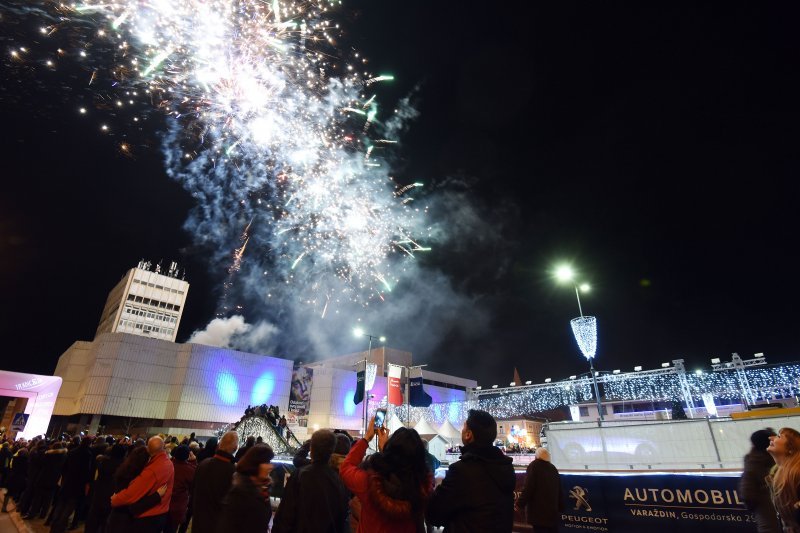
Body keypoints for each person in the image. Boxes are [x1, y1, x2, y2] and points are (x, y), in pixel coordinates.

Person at [426, 409, 516, 532]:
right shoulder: (506, 467)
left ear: (468, 435)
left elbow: (434, 513)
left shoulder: (462, 470)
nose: (461, 431)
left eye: (463, 428)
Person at [340, 417, 433, 532]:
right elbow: (400, 469)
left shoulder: (369, 483)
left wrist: (367, 438)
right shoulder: (422, 489)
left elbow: (345, 467)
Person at [272, 429, 349, 533]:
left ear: (312, 449)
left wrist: (309, 443)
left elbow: (285, 515)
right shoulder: (343, 479)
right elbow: (341, 518)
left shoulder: (301, 474)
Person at [110, 436, 175, 532]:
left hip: (147, 518)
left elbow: (131, 494)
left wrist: (115, 499)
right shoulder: (168, 463)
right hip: (158, 514)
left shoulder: (152, 470)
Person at [216, 444, 275, 533]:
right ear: (255, 464)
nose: (271, 466)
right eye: (266, 462)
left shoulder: (263, 489)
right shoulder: (239, 493)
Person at [192, 431, 239, 533]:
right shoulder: (233, 472)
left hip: (198, 522)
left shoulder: (203, 464)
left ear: (219, 445)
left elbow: (192, 491)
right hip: (217, 525)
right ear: (235, 448)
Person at [49, 436, 94, 533]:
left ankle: (54, 528)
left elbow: (64, 467)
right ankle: (60, 529)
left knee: (60, 506)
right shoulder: (88, 455)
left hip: (67, 482)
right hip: (77, 485)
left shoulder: (72, 452)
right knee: (68, 509)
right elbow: (87, 472)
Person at [741, 429, 781, 533]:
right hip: (766, 506)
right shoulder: (758, 461)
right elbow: (747, 490)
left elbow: (746, 491)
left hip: (765, 507)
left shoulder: (752, 459)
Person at [515, 447, 563, 533]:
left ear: (537, 456)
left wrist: (519, 504)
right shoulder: (553, 468)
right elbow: (559, 489)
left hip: (538, 512)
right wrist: (561, 506)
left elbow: (528, 487)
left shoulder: (534, 466)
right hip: (552, 511)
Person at [84, 443, 126, 533]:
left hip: (98, 494)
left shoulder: (102, 462)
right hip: (111, 497)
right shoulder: (123, 467)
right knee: (104, 523)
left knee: (93, 521)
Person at [768, 428, 800, 532]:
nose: (770, 438)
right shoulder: (776, 473)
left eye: (778, 436)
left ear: (790, 448)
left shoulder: (796, 473)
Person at [165, 445, 196, 533]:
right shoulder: (190, 470)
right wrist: (193, 461)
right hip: (177, 507)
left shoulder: (168, 463)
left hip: (163, 503)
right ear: (188, 455)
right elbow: (193, 485)